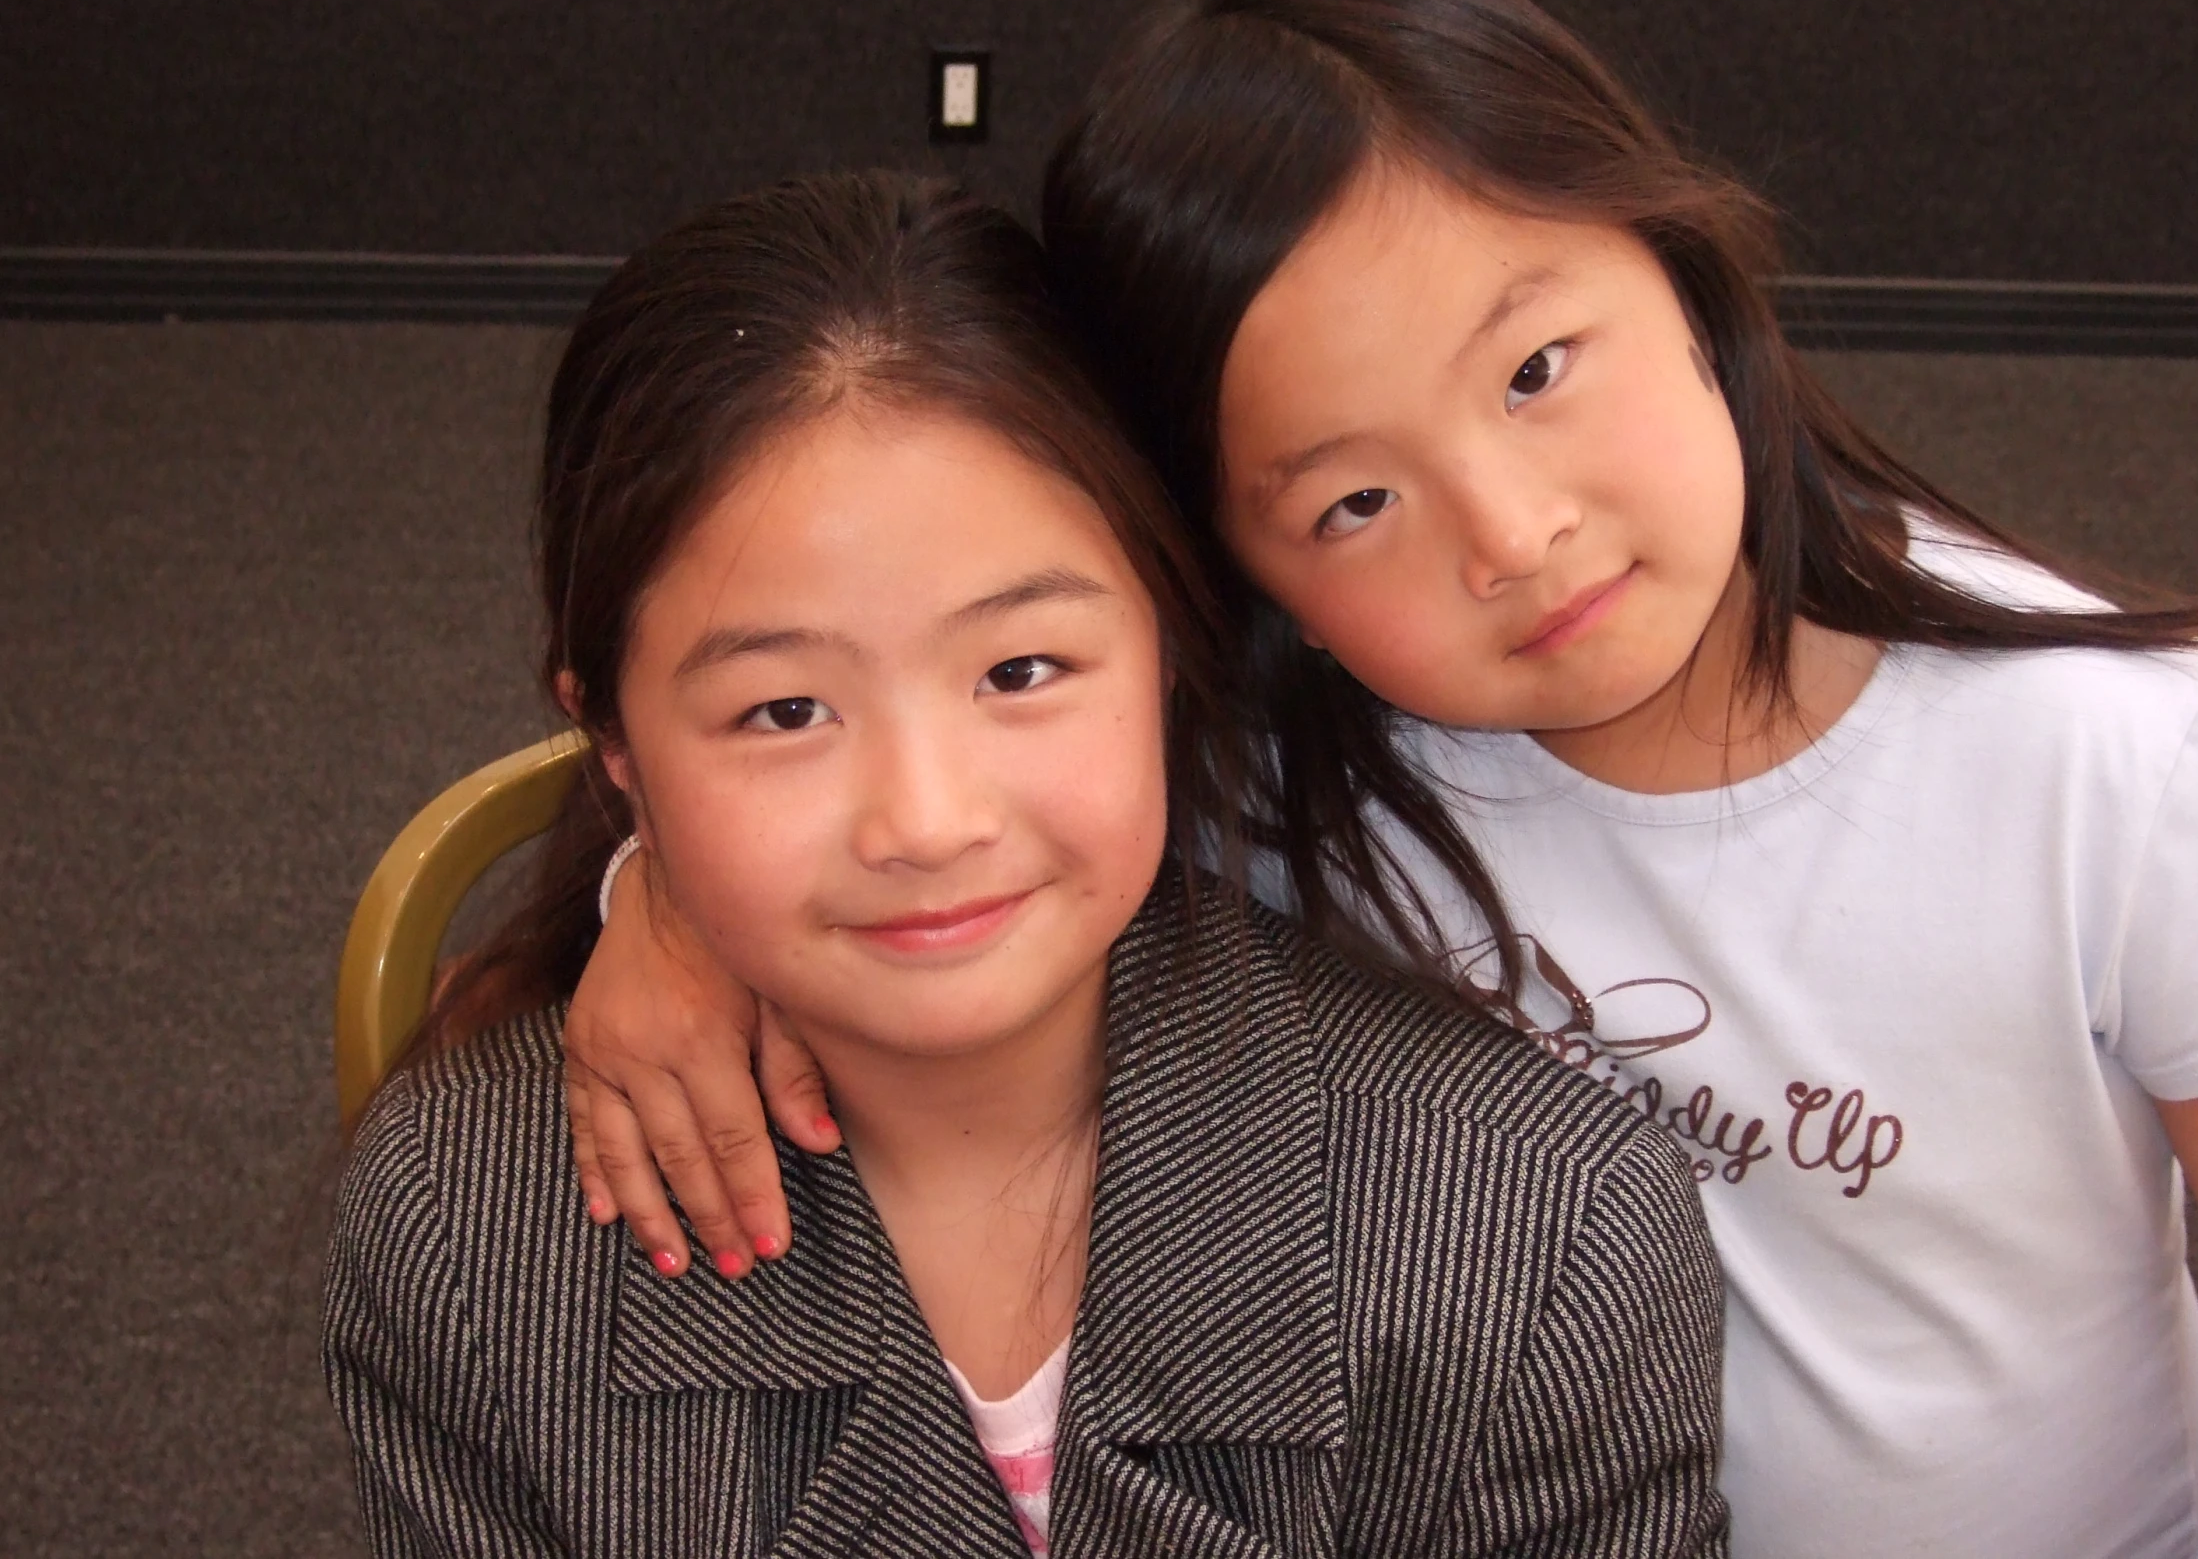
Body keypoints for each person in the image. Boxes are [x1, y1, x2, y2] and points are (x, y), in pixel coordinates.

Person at [560, 0, 2198, 1559]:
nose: (1508, 534)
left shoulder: (2116, 756)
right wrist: (664, 900)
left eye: (1537, 367)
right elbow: (879, 736)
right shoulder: (1278, 760)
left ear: (1685, 268)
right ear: (1221, 568)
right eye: (1353, 500)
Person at [323, 171, 1728, 1558]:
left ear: (1174, 651)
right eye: (786, 710)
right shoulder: (470, 1237)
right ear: (613, 741)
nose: (925, 819)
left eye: (1020, 667)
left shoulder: (1541, 1226)